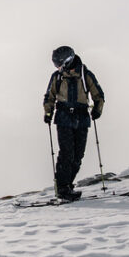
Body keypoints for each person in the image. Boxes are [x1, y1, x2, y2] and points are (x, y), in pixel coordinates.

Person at [43, 45, 105, 200]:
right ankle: (62, 188)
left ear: (67, 61)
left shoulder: (85, 74)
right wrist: (48, 113)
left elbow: (98, 94)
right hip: (63, 117)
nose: (57, 67)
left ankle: (68, 185)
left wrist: (97, 109)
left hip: (81, 117)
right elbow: (49, 97)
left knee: (78, 155)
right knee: (66, 154)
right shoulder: (57, 77)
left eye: (59, 63)